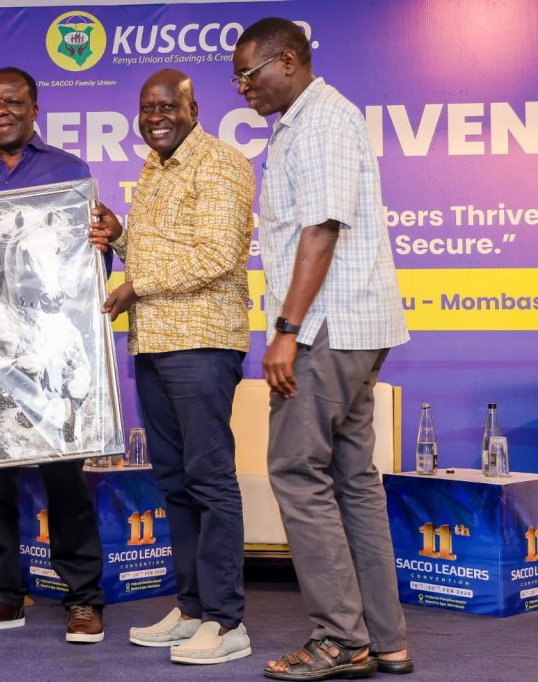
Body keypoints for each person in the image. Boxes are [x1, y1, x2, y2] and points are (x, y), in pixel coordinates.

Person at [231, 18, 413, 680]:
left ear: (287, 61)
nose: (241, 87)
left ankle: (340, 638)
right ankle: (385, 639)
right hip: (352, 328)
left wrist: (286, 330)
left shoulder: (321, 121)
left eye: (248, 73)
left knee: (295, 471)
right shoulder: (307, 123)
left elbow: (322, 229)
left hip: (326, 329)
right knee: (353, 481)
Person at [89, 69, 255, 665]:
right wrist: (120, 237)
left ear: (192, 109)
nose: (155, 117)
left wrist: (135, 286)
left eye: (167, 106)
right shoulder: (154, 168)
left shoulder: (223, 163)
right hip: (153, 344)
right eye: (147, 108)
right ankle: (191, 609)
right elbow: (161, 253)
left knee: (209, 480)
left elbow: (216, 254)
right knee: (176, 482)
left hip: (203, 343)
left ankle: (226, 620)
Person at [0, 66, 106, 644]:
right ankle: (2, 595)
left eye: (12, 101)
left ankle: (83, 597)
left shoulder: (70, 172)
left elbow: (86, 262)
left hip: (50, 338)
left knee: (65, 478)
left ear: (35, 108)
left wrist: (104, 240)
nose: (1, 111)